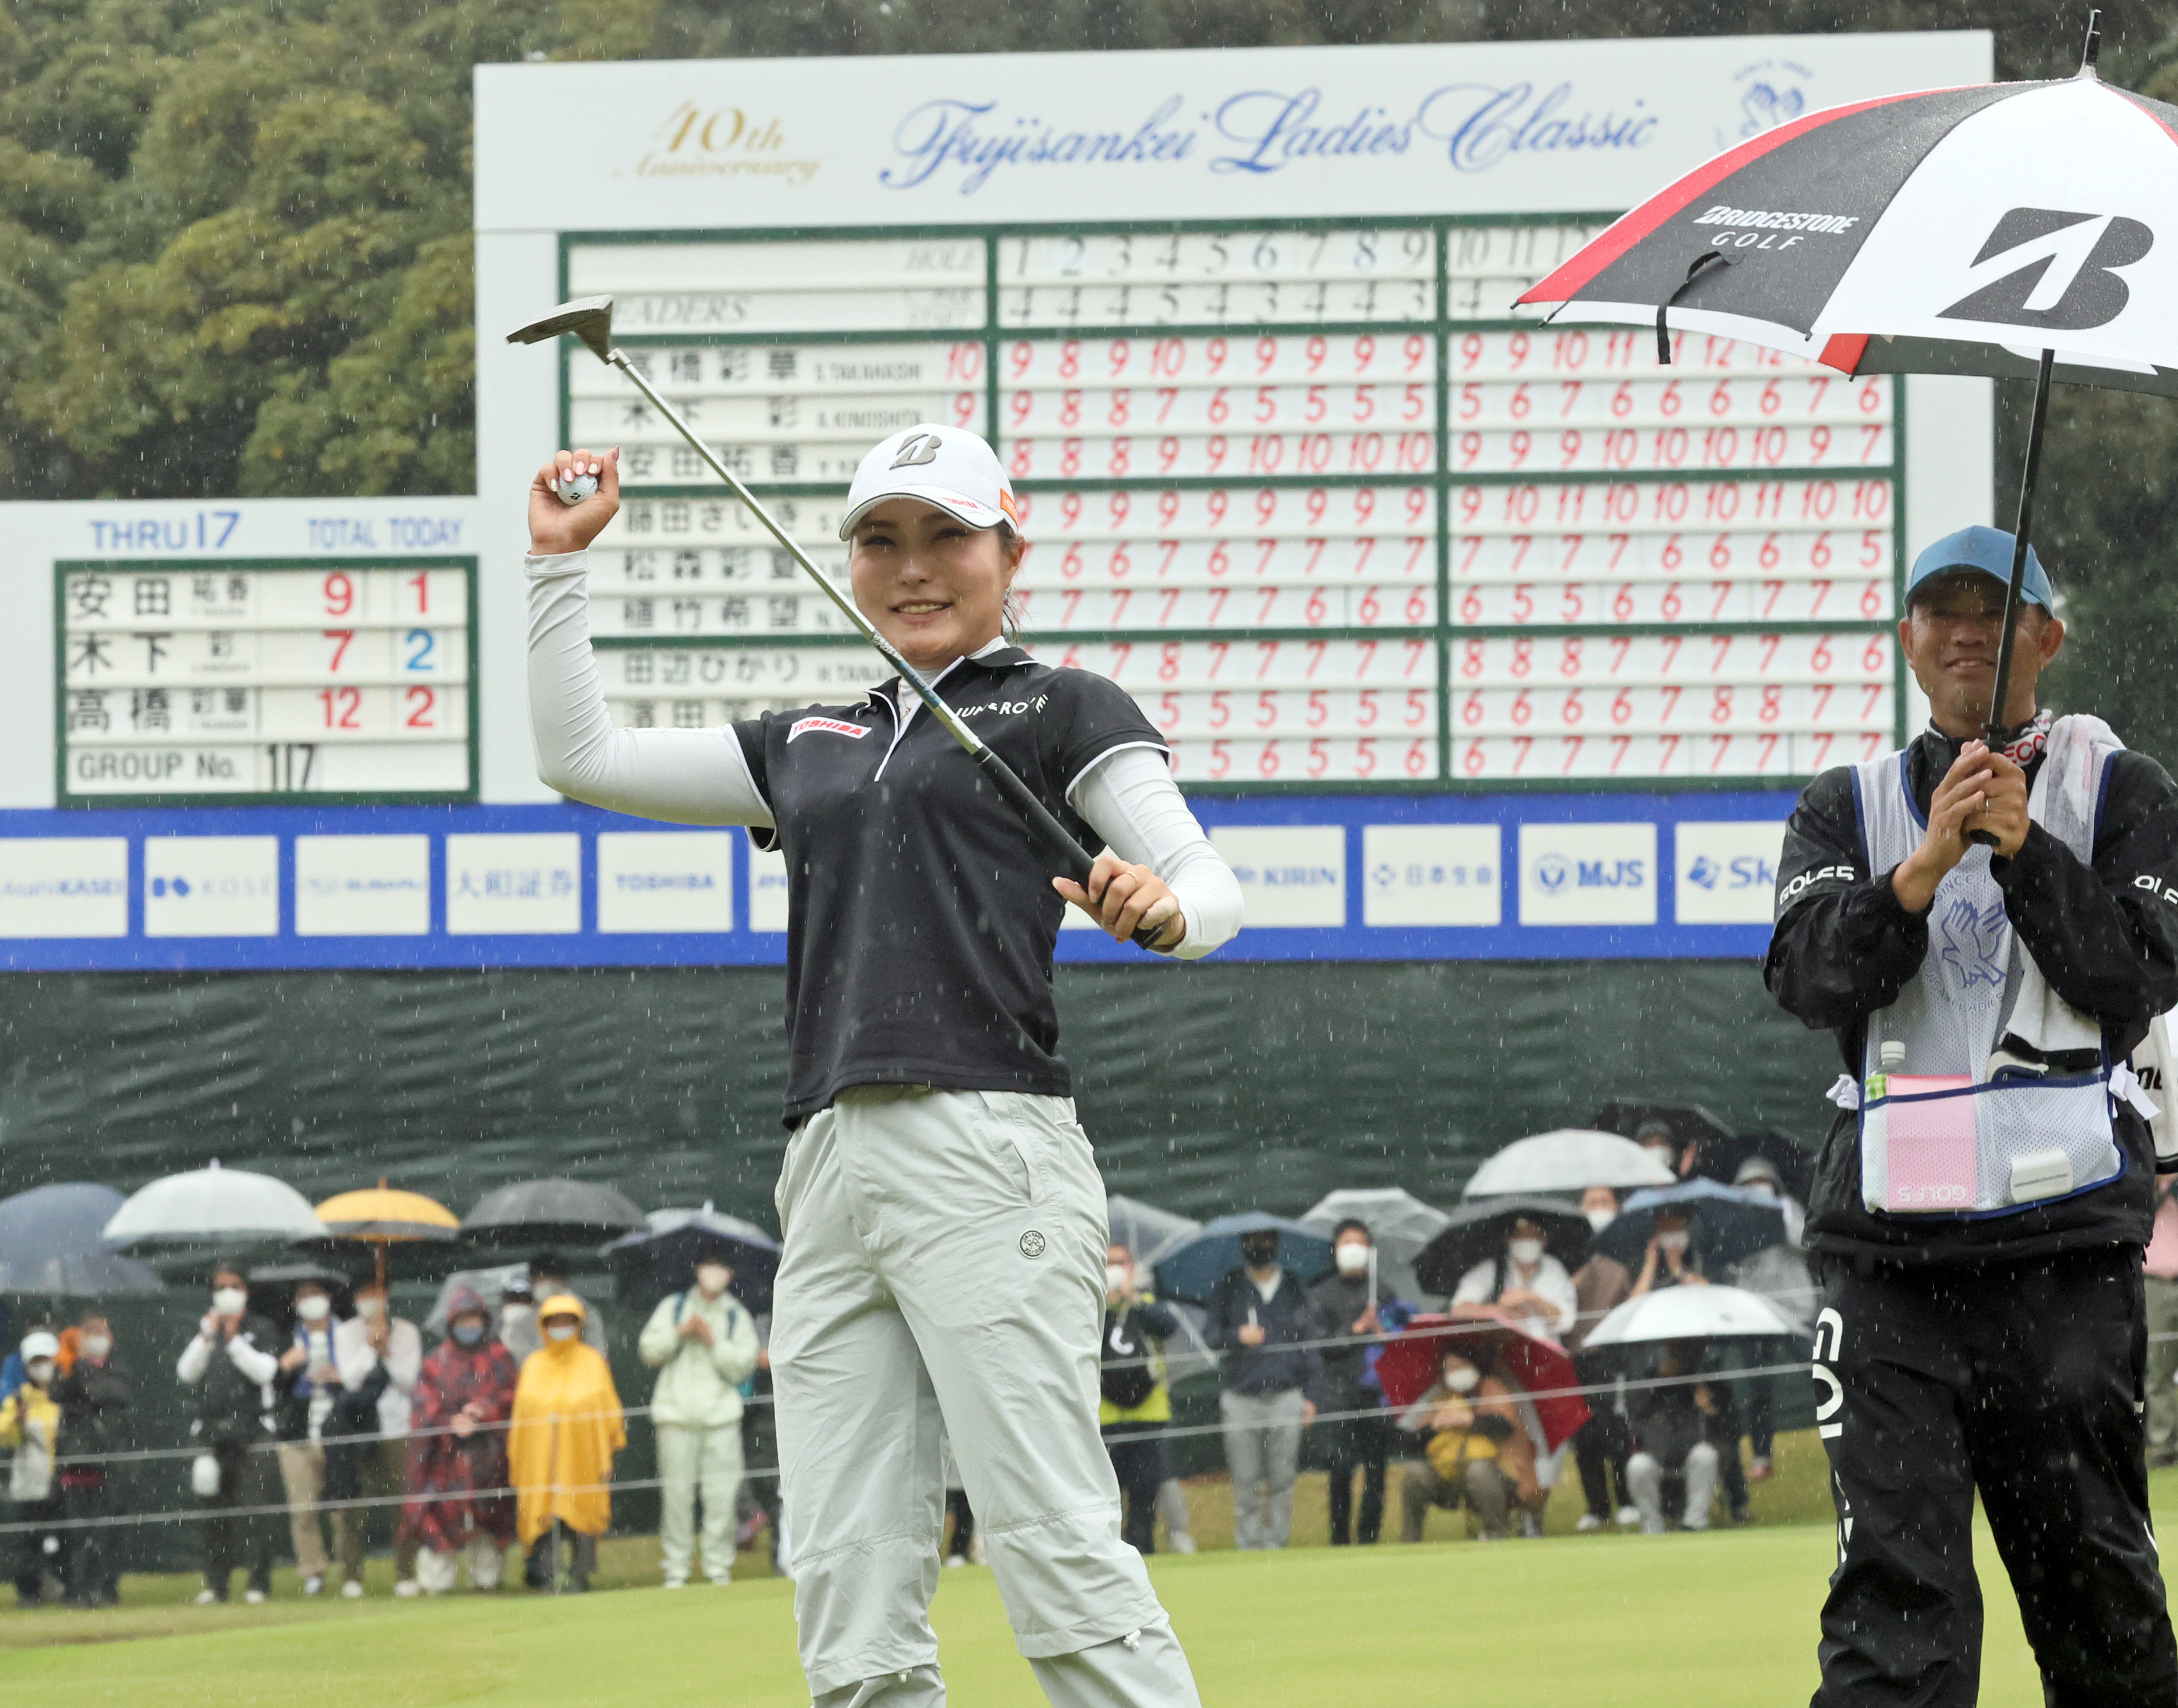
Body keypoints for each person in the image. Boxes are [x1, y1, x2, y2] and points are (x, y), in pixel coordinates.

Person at [527, 426, 1240, 1706]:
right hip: (827, 1161)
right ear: (850, 562)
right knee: (846, 1581)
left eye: (946, 537)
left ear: (1008, 551)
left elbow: (1211, 883)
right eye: (881, 541)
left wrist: (1165, 908)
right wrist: (554, 567)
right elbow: (580, 759)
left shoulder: (1058, 704)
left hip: (988, 1145)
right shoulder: (813, 739)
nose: (914, 567)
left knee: (1051, 1546)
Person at [1767, 525, 2178, 1704]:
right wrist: (1922, 867)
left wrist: (2027, 851)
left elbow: (2137, 978)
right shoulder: (1844, 804)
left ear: (2047, 638)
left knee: (2093, 1589)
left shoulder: (2126, 790)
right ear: (1906, 641)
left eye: (1996, 614)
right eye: (1941, 611)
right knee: (1894, 1597)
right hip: (1890, 1263)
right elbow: (1807, 981)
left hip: (2065, 1259)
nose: (1966, 634)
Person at [638, 1254, 760, 1588]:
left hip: (722, 1418)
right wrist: (680, 1332)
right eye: (708, 1266)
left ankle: (718, 1567)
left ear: (730, 1274)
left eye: (720, 1267)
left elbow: (742, 1366)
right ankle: (676, 1568)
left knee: (721, 1496)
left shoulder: (736, 1314)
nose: (713, 1273)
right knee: (677, 1497)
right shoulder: (674, 1307)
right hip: (675, 1416)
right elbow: (649, 1351)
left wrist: (712, 1340)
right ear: (696, 1270)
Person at [1202, 1228, 1320, 1551]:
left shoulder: (1294, 1286)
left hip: (1286, 1395)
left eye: (1266, 1240)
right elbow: (1211, 1336)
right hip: (1241, 1397)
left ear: (1277, 1244)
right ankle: (1249, 1542)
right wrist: (1237, 1336)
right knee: (1245, 1477)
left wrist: (1310, 1397)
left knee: (1283, 1477)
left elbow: (1310, 1344)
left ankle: (1276, 1541)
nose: (1259, 1248)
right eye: (1252, 1241)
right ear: (1242, 1245)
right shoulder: (1230, 1285)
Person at [404, 1286, 519, 1595]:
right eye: (463, 1320)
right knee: (440, 1518)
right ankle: (437, 1585)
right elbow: (422, 1408)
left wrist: (481, 1411)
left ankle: (488, 1580)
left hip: (491, 1459)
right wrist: (448, 1422)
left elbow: (511, 1397)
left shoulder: (500, 1357)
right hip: (444, 1461)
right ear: (451, 1323)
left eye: (475, 1320)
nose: (470, 1327)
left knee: (488, 1519)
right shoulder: (435, 1363)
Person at [178, 1266, 283, 1604]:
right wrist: (208, 1337)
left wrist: (235, 1340)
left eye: (234, 1286)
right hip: (211, 1436)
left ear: (246, 1291)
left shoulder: (262, 1328)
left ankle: (258, 1583)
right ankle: (216, 1585)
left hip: (254, 1433)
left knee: (256, 1512)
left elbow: (265, 1372)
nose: (227, 1292)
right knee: (213, 1515)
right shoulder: (205, 1332)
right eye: (221, 1287)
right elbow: (187, 1373)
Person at [509, 1295, 623, 1594]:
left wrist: (610, 1448)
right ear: (543, 1326)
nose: (561, 1327)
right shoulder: (533, 1365)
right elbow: (522, 1415)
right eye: (554, 1322)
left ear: (578, 1324)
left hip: (583, 1457)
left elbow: (610, 1410)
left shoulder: (592, 1362)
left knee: (582, 1514)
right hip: (541, 1460)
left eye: (567, 1321)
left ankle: (580, 1576)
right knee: (545, 1517)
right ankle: (547, 1577)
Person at [1304, 1220, 1407, 1546]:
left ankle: (1369, 1537)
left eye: (1359, 1243)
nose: (1352, 1250)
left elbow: (1401, 1343)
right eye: (1346, 1243)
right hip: (1338, 1393)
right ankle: (1339, 1538)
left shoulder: (1384, 1292)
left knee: (1376, 1471)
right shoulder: (1320, 1294)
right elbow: (1322, 1345)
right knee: (1340, 1469)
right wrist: (1356, 1329)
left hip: (1376, 1396)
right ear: (1336, 1250)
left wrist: (1380, 1330)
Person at [1724, 1155, 1815, 1485]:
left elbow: (1805, 1242)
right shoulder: (1733, 1215)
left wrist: (1774, 1219)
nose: (1755, 1188)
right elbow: (1730, 1261)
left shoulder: (1788, 1206)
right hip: (1756, 1316)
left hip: (1795, 1311)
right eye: (1748, 1184)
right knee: (1758, 1391)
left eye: (1760, 1182)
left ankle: (1847, 1434)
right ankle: (1762, 1457)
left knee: (1819, 1369)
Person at [330, 1279, 423, 1597]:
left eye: (376, 1293)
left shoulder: (408, 1331)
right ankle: (352, 1576)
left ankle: (406, 1573)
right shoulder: (345, 1333)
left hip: (398, 1428)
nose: (370, 1300)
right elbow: (349, 1380)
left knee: (401, 1503)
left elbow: (410, 1382)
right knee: (356, 1503)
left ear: (387, 1295)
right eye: (363, 1294)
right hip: (359, 1429)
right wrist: (370, 1349)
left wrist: (389, 1352)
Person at [1395, 1343, 1540, 1542]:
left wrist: (1469, 1420)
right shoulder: (1443, 1396)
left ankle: (1496, 1533)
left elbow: (1506, 1426)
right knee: (1415, 1473)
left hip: (1496, 1474)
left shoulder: (1493, 1389)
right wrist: (1434, 1426)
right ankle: (1409, 1541)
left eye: (1459, 1366)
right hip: (1449, 1474)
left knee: (1479, 1470)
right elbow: (1412, 1443)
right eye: (1449, 1368)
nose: (1454, 1373)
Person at [1098, 1242, 1181, 1556]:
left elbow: (1167, 1327)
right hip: (1105, 1417)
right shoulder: (1089, 1309)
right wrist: (1104, 1303)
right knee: (1106, 1494)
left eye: (1121, 1263)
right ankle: (1109, 1554)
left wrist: (1132, 1298)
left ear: (1133, 1269)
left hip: (1148, 1414)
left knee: (1145, 1488)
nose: (1115, 1270)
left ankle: (1142, 1548)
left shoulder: (1146, 1305)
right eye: (1109, 1263)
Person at [1567, 1190, 1638, 1533]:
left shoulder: (1625, 1259)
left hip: (1611, 1359)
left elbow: (1633, 1305)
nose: (1597, 1209)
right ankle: (1597, 1506)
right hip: (1573, 1360)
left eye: (1604, 1202)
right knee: (1584, 1434)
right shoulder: (1567, 1261)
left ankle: (1627, 1500)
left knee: (1616, 1429)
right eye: (1590, 1203)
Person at [52, 1313, 130, 1607]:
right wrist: (68, 1363)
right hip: (77, 1462)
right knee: (78, 1533)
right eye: (90, 1333)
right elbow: (59, 1393)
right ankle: (79, 1591)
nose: (97, 1339)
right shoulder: (70, 1369)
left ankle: (106, 1589)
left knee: (107, 1531)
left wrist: (83, 1367)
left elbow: (109, 1394)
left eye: (102, 1333)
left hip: (109, 1463)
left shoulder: (117, 1369)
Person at [273, 1278, 344, 1596]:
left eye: (316, 1293)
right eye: (303, 1296)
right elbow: (270, 1382)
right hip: (296, 1432)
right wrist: (285, 1367)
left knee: (342, 1506)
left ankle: (349, 1569)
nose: (310, 1301)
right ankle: (313, 1572)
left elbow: (363, 1378)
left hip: (339, 1427)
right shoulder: (285, 1338)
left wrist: (340, 1377)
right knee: (303, 1509)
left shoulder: (347, 1336)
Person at [1624, 1340, 1728, 1535]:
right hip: (1656, 1456)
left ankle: (1695, 1522)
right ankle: (1652, 1527)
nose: (1670, 1361)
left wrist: (1708, 1408)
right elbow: (1637, 1420)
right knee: (1638, 1465)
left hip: (1691, 1457)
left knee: (1705, 1456)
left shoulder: (1704, 1384)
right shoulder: (1643, 1386)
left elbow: (1725, 1432)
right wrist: (1658, 1386)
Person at [2, 1332, 63, 1605]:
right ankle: (29, 1593)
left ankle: (64, 1586)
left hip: (63, 1480)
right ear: (27, 1367)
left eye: (47, 1360)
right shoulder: (18, 1399)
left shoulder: (67, 1398)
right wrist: (16, 1420)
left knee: (65, 1536)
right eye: (37, 1361)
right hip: (31, 1483)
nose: (43, 1366)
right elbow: (4, 1437)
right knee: (30, 1541)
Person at [1449, 1216, 1579, 1342]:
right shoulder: (1493, 1269)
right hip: (1503, 1350)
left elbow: (1567, 1321)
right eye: (1520, 1235)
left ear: (1544, 1240)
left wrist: (1533, 1299)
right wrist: (1496, 1312)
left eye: (1533, 1234)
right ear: (1509, 1240)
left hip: (1545, 1353)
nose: (1526, 1240)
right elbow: (1459, 1310)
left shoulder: (1554, 1270)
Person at [500, 1257, 606, 1363]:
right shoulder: (524, 1317)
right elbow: (520, 1359)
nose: (545, 1284)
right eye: (539, 1279)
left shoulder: (584, 1311)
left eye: (549, 1279)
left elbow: (597, 1353)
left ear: (561, 1281)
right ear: (532, 1282)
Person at [2149, 1175, 2178, 1468]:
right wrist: (2162, 1182)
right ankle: (2164, 1446)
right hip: (2156, 1285)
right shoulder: (2145, 1186)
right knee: (2159, 1368)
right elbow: (2148, 1205)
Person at [1627, 1207, 1708, 1297]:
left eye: (1678, 1229)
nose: (1674, 1240)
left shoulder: (1699, 1257)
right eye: (1667, 1230)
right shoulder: (1643, 1263)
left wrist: (1679, 1270)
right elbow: (1634, 1304)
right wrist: (1650, 1264)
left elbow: (1706, 1292)